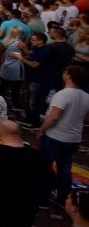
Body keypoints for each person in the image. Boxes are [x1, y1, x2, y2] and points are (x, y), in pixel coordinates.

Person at [38, 65, 89, 206]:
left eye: (65, 72)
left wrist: (41, 130)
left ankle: (43, 199)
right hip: (74, 138)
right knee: (65, 169)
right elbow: (86, 118)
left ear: (69, 76)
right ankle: (63, 199)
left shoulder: (62, 94)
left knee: (44, 167)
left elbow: (54, 117)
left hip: (55, 136)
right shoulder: (86, 96)